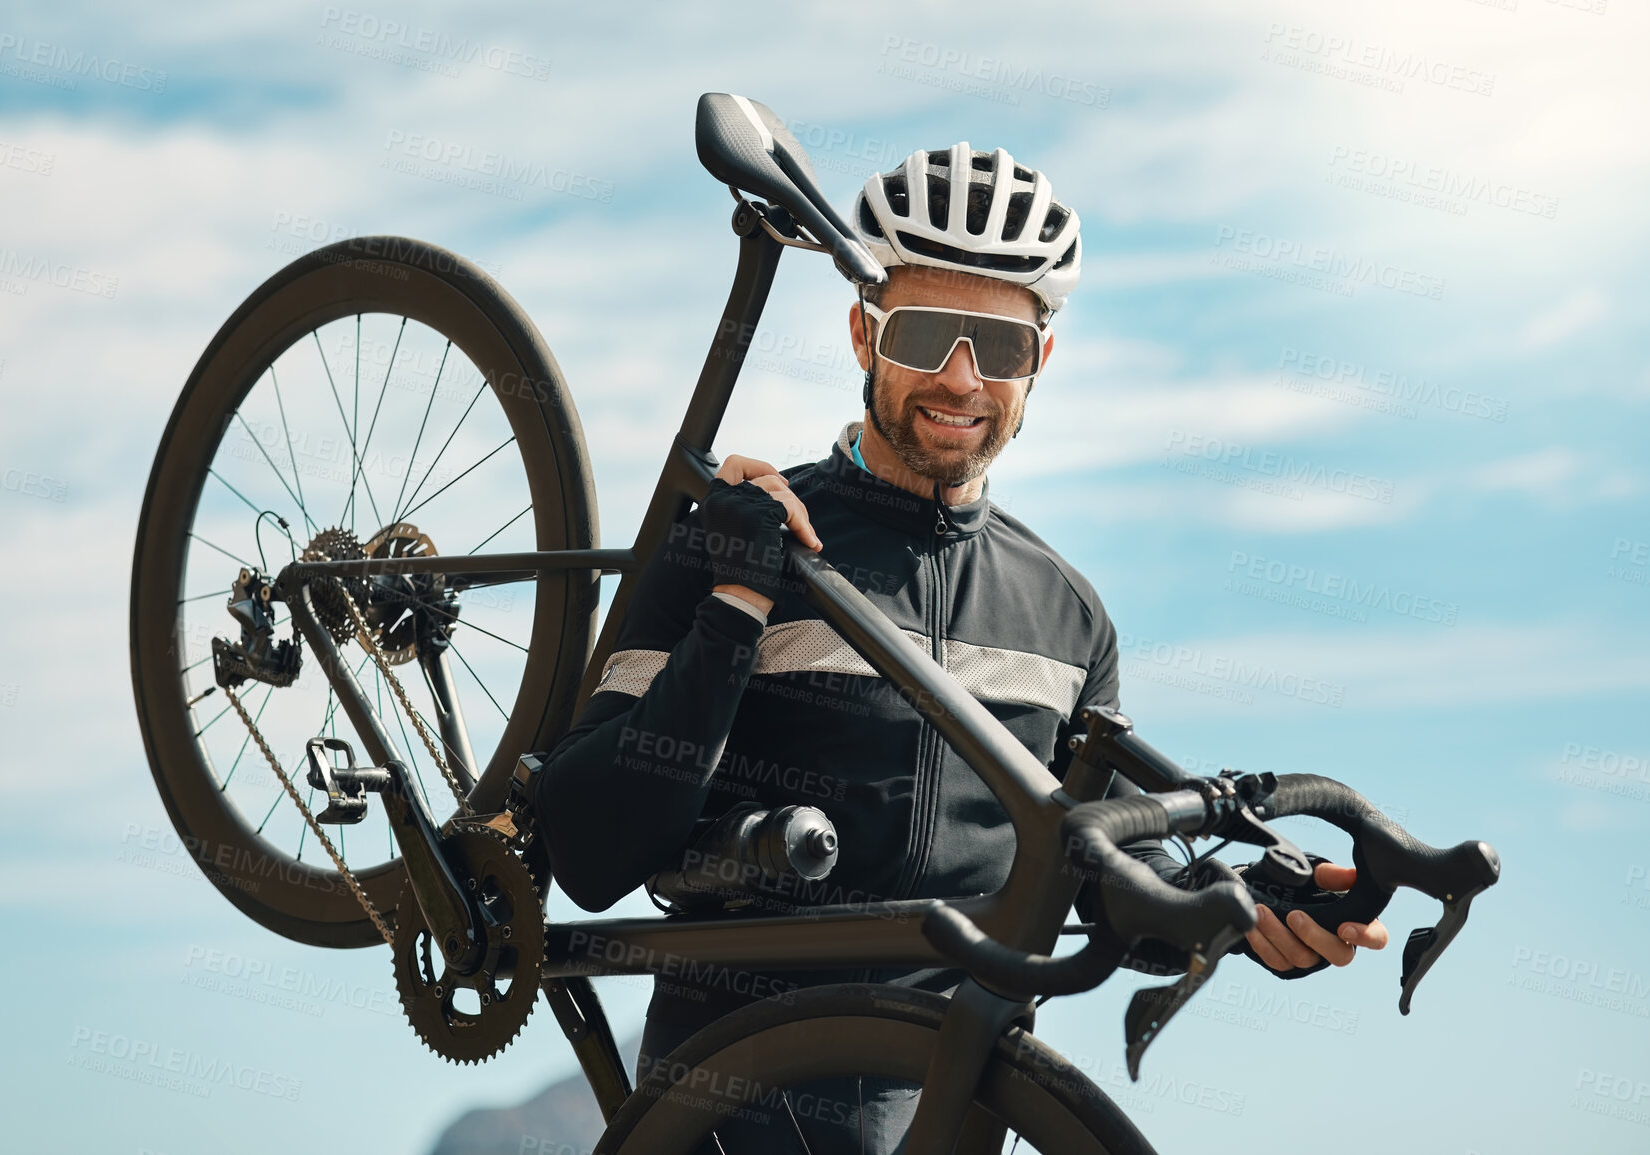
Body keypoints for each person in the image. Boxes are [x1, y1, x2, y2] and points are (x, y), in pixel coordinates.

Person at [531, 143, 1387, 1149]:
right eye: (928, 330)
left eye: (1001, 346)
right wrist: (729, 603)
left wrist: (1243, 909)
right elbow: (590, 849)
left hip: (957, 1116)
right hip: (725, 1111)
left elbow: (1111, 875)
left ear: (1045, 361)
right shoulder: (741, 538)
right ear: (862, 332)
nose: (960, 377)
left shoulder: (1069, 618)